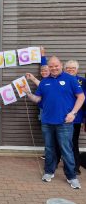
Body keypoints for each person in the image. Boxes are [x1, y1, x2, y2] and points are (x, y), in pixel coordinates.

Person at [23, 56, 85, 189]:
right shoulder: (45, 82)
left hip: (64, 123)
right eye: (51, 66)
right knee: (49, 148)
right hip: (47, 122)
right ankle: (49, 172)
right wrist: (27, 93)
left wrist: (73, 113)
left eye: (56, 65)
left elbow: (81, 97)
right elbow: (38, 99)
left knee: (66, 149)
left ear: (61, 65)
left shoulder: (71, 79)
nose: (54, 68)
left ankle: (71, 176)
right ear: (48, 67)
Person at [26, 65, 61, 163]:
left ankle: (55, 157)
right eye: (42, 71)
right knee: (48, 135)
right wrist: (28, 92)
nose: (43, 72)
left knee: (56, 135)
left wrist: (32, 78)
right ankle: (50, 156)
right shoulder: (44, 82)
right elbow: (37, 97)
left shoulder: (53, 81)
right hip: (44, 112)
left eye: (46, 70)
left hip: (55, 113)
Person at [64, 60, 86, 175]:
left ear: (77, 69)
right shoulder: (61, 80)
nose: (70, 69)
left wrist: (84, 119)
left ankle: (75, 167)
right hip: (61, 117)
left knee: (73, 143)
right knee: (61, 142)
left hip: (76, 118)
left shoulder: (83, 82)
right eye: (68, 68)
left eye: (73, 68)